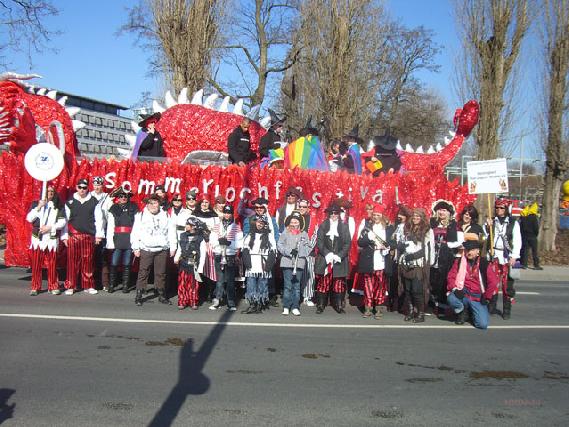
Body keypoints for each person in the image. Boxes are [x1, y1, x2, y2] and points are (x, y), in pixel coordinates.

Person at [61, 178, 105, 295]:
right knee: (72, 262)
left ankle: (88, 285)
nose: (82, 190)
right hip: (73, 235)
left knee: (88, 261)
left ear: (87, 188)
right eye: (80, 187)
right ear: (76, 187)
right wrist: (64, 236)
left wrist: (98, 235)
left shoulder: (94, 201)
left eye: (84, 187)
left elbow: (99, 219)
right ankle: (71, 285)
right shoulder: (70, 202)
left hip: (88, 235)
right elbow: (65, 220)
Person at [447, 240, 499, 329]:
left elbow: (493, 282)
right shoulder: (459, 261)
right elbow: (451, 276)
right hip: (463, 293)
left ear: (477, 251)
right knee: (451, 298)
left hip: (477, 297)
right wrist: (455, 289)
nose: (468, 252)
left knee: (482, 324)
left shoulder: (484, 264)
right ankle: (462, 312)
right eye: (467, 250)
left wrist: (487, 297)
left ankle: (471, 313)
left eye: (471, 250)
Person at [131, 195, 172, 306]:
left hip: (161, 248)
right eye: (150, 203)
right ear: (147, 204)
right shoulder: (141, 216)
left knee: (161, 273)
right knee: (143, 272)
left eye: (155, 203)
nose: (153, 205)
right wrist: (135, 247)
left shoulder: (166, 215)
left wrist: (173, 246)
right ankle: (139, 295)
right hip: (146, 248)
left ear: (159, 204)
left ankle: (161, 295)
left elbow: (171, 232)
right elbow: (135, 232)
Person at [26, 185, 66, 296]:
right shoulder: (35, 204)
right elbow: (29, 218)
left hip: (51, 239)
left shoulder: (59, 206)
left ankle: (53, 286)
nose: (50, 193)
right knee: (36, 264)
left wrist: (50, 227)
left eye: (52, 191)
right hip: (37, 238)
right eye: (48, 191)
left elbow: (62, 222)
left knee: (53, 264)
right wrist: (39, 207)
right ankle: (35, 287)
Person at [485, 198, 522, 320]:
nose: (499, 210)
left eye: (501, 208)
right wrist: (487, 227)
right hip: (495, 255)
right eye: (497, 208)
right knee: (493, 283)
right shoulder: (491, 222)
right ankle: (491, 306)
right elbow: (485, 237)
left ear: (506, 209)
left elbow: (517, 241)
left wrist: (514, 256)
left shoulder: (513, 223)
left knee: (507, 286)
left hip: (508, 257)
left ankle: (507, 310)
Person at [397, 208, 435, 323]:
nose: (415, 218)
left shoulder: (428, 230)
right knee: (407, 289)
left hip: (419, 263)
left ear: (422, 218)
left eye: (418, 216)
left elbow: (427, 249)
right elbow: (402, 242)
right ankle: (410, 311)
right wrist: (401, 247)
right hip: (406, 262)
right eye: (414, 216)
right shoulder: (407, 228)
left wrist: (414, 256)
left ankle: (420, 313)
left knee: (417, 289)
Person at [314, 202, 352, 314]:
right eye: (332, 213)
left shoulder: (344, 227)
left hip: (339, 259)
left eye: (336, 213)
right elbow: (319, 242)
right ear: (328, 214)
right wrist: (327, 254)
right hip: (325, 258)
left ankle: (339, 305)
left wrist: (338, 255)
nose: (334, 215)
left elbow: (347, 244)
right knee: (323, 282)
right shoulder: (323, 225)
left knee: (339, 283)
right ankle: (321, 305)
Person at [356, 205, 392, 319]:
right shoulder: (367, 226)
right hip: (369, 260)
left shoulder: (388, 227)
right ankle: (368, 307)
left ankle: (379, 308)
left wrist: (388, 248)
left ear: (382, 215)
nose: (376, 217)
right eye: (374, 215)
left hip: (381, 259)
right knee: (368, 285)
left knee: (380, 285)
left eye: (378, 215)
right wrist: (368, 238)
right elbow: (360, 242)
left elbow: (393, 242)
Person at [209, 205, 243, 311]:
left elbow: (239, 243)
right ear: (223, 213)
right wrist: (219, 243)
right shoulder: (217, 226)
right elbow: (212, 240)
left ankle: (231, 301)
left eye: (229, 213)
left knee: (230, 280)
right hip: (219, 254)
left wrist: (229, 243)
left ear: (232, 214)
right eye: (225, 212)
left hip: (230, 255)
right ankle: (217, 299)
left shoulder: (236, 227)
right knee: (219, 279)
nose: (227, 215)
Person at [277, 211, 312, 316]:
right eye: (292, 222)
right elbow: (280, 245)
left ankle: (295, 306)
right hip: (287, 263)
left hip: (299, 263)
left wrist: (300, 251)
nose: (294, 224)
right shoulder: (285, 233)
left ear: (299, 223)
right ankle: (286, 306)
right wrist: (289, 252)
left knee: (296, 286)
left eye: (296, 222)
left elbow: (309, 247)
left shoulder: (304, 234)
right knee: (288, 286)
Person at [241, 215, 277, 314]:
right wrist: (247, 263)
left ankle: (260, 304)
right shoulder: (249, 235)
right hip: (252, 262)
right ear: (255, 223)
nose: (260, 224)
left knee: (262, 283)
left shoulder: (269, 236)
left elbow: (273, 251)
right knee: (251, 283)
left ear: (265, 224)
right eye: (258, 222)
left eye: (262, 223)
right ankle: (252, 303)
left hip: (263, 262)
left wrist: (269, 265)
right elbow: (245, 249)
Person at [429, 200, 460, 315]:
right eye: (440, 210)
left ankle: (442, 306)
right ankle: (431, 305)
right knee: (431, 280)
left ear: (449, 213)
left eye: (444, 210)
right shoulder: (432, 223)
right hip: (433, 255)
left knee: (442, 282)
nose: (442, 212)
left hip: (446, 257)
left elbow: (454, 243)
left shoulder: (453, 225)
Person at [105, 188, 138, 293]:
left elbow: (137, 225)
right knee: (114, 263)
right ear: (117, 198)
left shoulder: (133, 207)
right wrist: (110, 241)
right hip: (117, 238)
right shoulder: (113, 208)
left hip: (129, 238)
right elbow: (110, 226)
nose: (123, 198)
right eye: (121, 196)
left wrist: (136, 241)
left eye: (125, 196)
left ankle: (125, 286)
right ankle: (111, 285)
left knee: (127, 263)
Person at [174, 217, 207, 310]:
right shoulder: (182, 235)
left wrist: (200, 267)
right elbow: (180, 248)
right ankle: (182, 301)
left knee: (193, 284)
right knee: (182, 283)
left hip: (194, 263)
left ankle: (193, 301)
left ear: (193, 226)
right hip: (183, 262)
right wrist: (176, 258)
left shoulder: (200, 238)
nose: (186, 226)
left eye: (188, 225)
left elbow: (203, 253)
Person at [90, 176, 112, 291]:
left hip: (103, 230)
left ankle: (105, 282)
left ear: (102, 185)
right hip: (90, 230)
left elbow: (109, 215)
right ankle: (91, 282)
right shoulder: (89, 196)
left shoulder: (107, 197)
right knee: (90, 257)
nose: (97, 187)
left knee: (103, 258)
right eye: (95, 184)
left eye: (99, 185)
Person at [298, 199, 318, 306]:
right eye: (300, 206)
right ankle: (298, 296)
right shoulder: (293, 218)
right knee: (297, 275)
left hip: (309, 251)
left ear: (308, 208)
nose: (302, 208)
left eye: (304, 207)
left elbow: (315, 234)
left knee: (309, 274)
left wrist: (308, 248)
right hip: (296, 251)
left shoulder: (312, 220)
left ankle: (308, 296)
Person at [520, 202, 542, 270]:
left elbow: (521, 227)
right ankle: (536, 265)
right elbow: (536, 228)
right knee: (534, 251)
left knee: (525, 251)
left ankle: (524, 264)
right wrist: (536, 234)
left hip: (525, 236)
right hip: (532, 236)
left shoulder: (523, 217)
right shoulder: (534, 217)